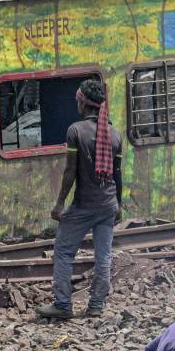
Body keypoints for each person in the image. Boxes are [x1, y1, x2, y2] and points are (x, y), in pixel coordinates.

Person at [38, 76, 124, 321]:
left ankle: (63, 304)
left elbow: (70, 171)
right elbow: (118, 173)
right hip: (108, 204)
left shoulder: (76, 130)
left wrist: (59, 203)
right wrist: (119, 204)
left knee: (64, 252)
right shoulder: (115, 134)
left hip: (84, 204)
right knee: (103, 256)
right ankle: (96, 306)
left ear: (83, 102)